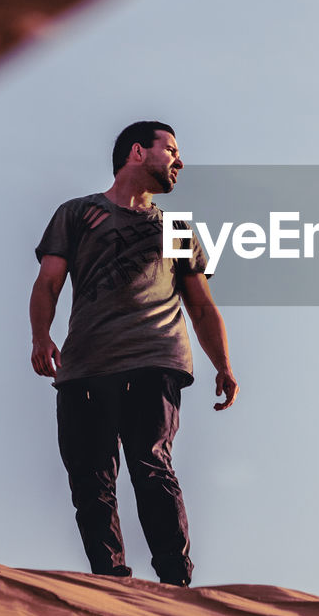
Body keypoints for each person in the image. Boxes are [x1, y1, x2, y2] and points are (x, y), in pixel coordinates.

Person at [29, 121, 238, 587]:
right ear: (138, 153)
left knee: (150, 461)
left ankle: (175, 582)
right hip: (85, 367)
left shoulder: (176, 229)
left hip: (154, 357)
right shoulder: (78, 213)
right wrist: (40, 336)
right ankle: (111, 584)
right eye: (172, 150)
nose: (180, 162)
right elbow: (48, 282)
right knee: (90, 479)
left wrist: (222, 364)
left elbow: (200, 305)